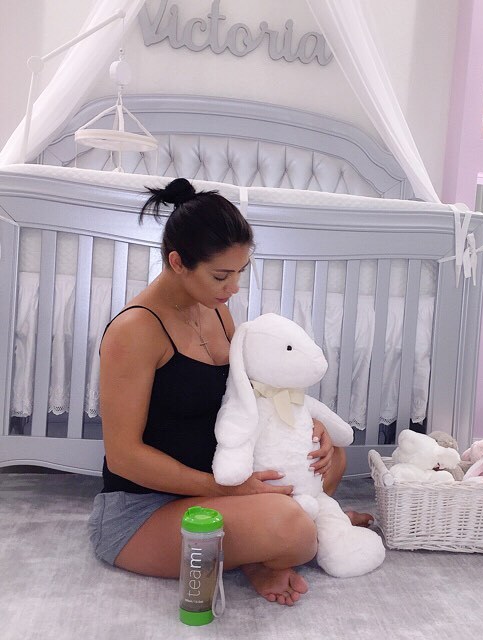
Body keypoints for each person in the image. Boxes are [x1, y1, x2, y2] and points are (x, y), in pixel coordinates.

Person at [89, 178, 371, 607]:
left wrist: (306, 426)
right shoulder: (135, 331)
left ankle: (261, 545)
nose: (233, 287)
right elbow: (124, 457)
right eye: (221, 275)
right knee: (294, 530)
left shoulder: (215, 310)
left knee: (331, 460)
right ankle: (272, 548)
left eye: (240, 272)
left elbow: (249, 392)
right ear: (178, 262)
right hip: (145, 510)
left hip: (215, 487)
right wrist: (225, 491)